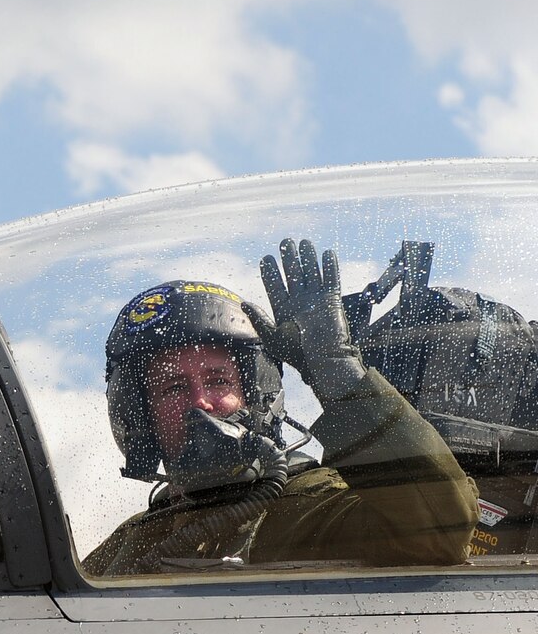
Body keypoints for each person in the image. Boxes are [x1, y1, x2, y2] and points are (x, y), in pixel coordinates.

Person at [81, 238, 479, 575]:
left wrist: (339, 375)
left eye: (219, 381)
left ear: (256, 396)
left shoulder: (307, 506)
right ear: (140, 416)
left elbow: (441, 533)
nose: (201, 401)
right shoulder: (133, 543)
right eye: (173, 388)